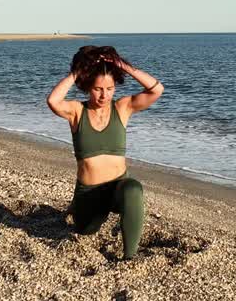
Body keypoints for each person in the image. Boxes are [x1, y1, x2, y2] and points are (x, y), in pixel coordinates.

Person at [46, 46, 164, 259]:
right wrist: (77, 71)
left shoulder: (123, 108)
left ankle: (130, 257)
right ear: (87, 86)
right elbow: (53, 101)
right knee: (85, 231)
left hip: (118, 186)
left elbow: (157, 90)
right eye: (98, 89)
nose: (104, 95)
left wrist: (123, 66)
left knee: (133, 189)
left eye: (109, 88)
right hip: (89, 193)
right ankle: (76, 206)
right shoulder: (76, 111)